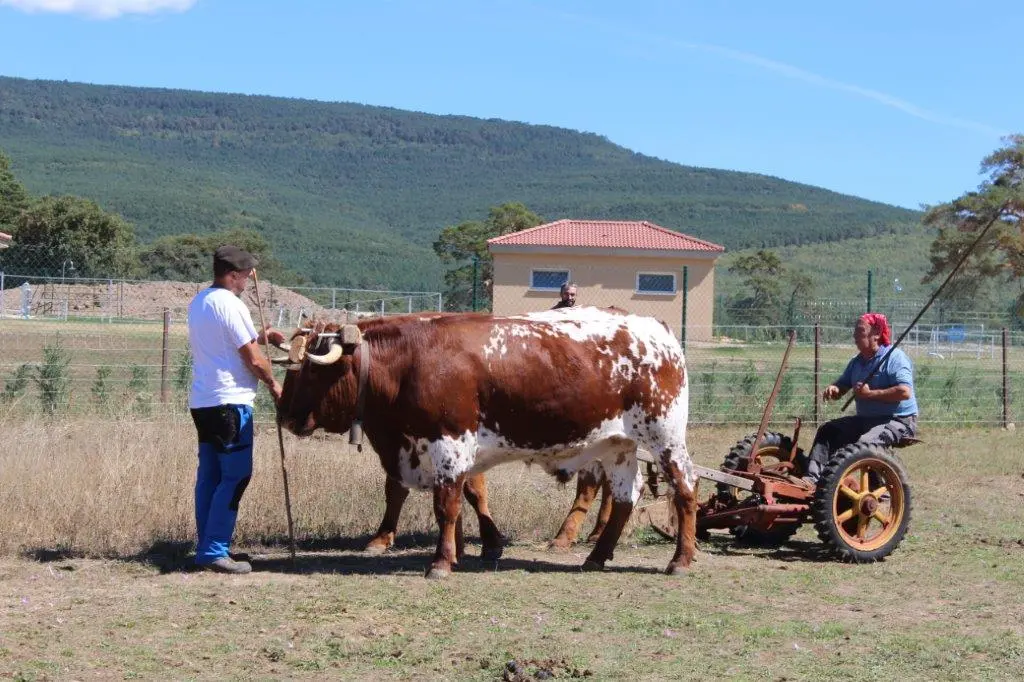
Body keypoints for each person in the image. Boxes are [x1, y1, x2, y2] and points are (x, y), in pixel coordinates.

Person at [187, 245, 284, 574]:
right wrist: (274, 385)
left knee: (210, 477)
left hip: (203, 401)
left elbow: (225, 343)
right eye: (244, 275)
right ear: (232, 276)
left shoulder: (200, 302)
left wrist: (259, 335)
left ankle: (207, 546)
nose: (248, 280)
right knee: (236, 476)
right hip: (231, 402)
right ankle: (215, 550)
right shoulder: (232, 304)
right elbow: (253, 360)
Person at [802, 313, 918, 485]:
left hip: (898, 420)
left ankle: (883, 495)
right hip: (866, 420)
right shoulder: (857, 362)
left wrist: (870, 394)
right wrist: (835, 389)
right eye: (855, 332)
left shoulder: (895, 358)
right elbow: (842, 385)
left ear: (876, 333)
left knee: (866, 445)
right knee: (827, 431)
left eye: (860, 331)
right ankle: (813, 480)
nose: (855, 336)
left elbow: (904, 392)